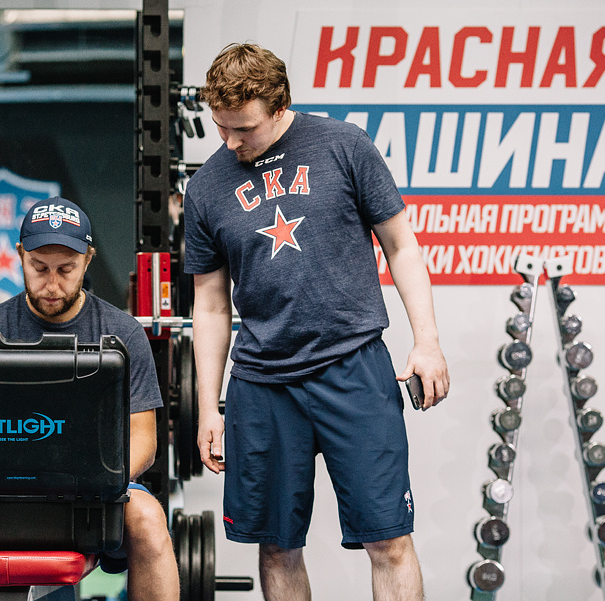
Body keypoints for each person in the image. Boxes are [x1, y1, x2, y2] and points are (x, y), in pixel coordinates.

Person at [184, 43, 450, 601]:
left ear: (280, 106)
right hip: (262, 383)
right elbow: (210, 304)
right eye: (220, 126)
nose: (231, 142)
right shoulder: (207, 186)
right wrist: (209, 407)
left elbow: (401, 245)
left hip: (352, 365)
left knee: (389, 540)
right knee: (277, 545)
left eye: (245, 129)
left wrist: (426, 342)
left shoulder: (342, 144)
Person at [0, 197, 180, 601]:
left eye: (66, 270)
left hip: (91, 498)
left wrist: (101, 480)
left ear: (87, 260)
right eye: (39, 268)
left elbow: (145, 439)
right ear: (19, 257)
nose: (52, 284)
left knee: (150, 521)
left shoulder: (123, 333)